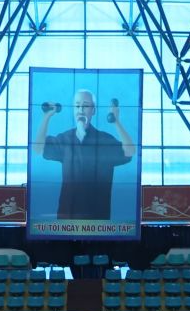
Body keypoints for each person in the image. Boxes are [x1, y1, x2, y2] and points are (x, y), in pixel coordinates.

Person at [33, 88, 137, 221]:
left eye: (86, 106)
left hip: (97, 220)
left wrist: (116, 122)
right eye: (77, 106)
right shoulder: (65, 139)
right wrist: (46, 117)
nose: (81, 110)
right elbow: (38, 149)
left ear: (93, 110)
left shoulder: (104, 140)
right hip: (67, 218)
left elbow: (130, 151)